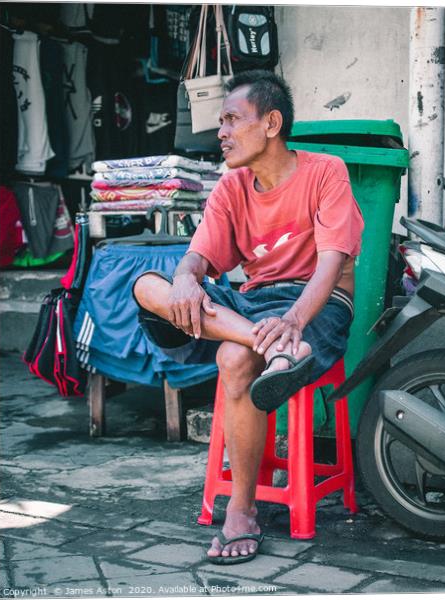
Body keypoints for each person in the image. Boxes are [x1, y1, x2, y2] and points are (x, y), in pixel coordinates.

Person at [133, 70, 364, 564]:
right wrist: (186, 279)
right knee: (145, 285)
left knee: (234, 358)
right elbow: (198, 258)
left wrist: (297, 320)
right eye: (220, 122)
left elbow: (331, 263)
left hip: (317, 304)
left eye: (232, 120)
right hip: (257, 307)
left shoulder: (326, 170)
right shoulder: (231, 185)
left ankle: (240, 511)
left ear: (272, 123)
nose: (221, 133)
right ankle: (275, 350)